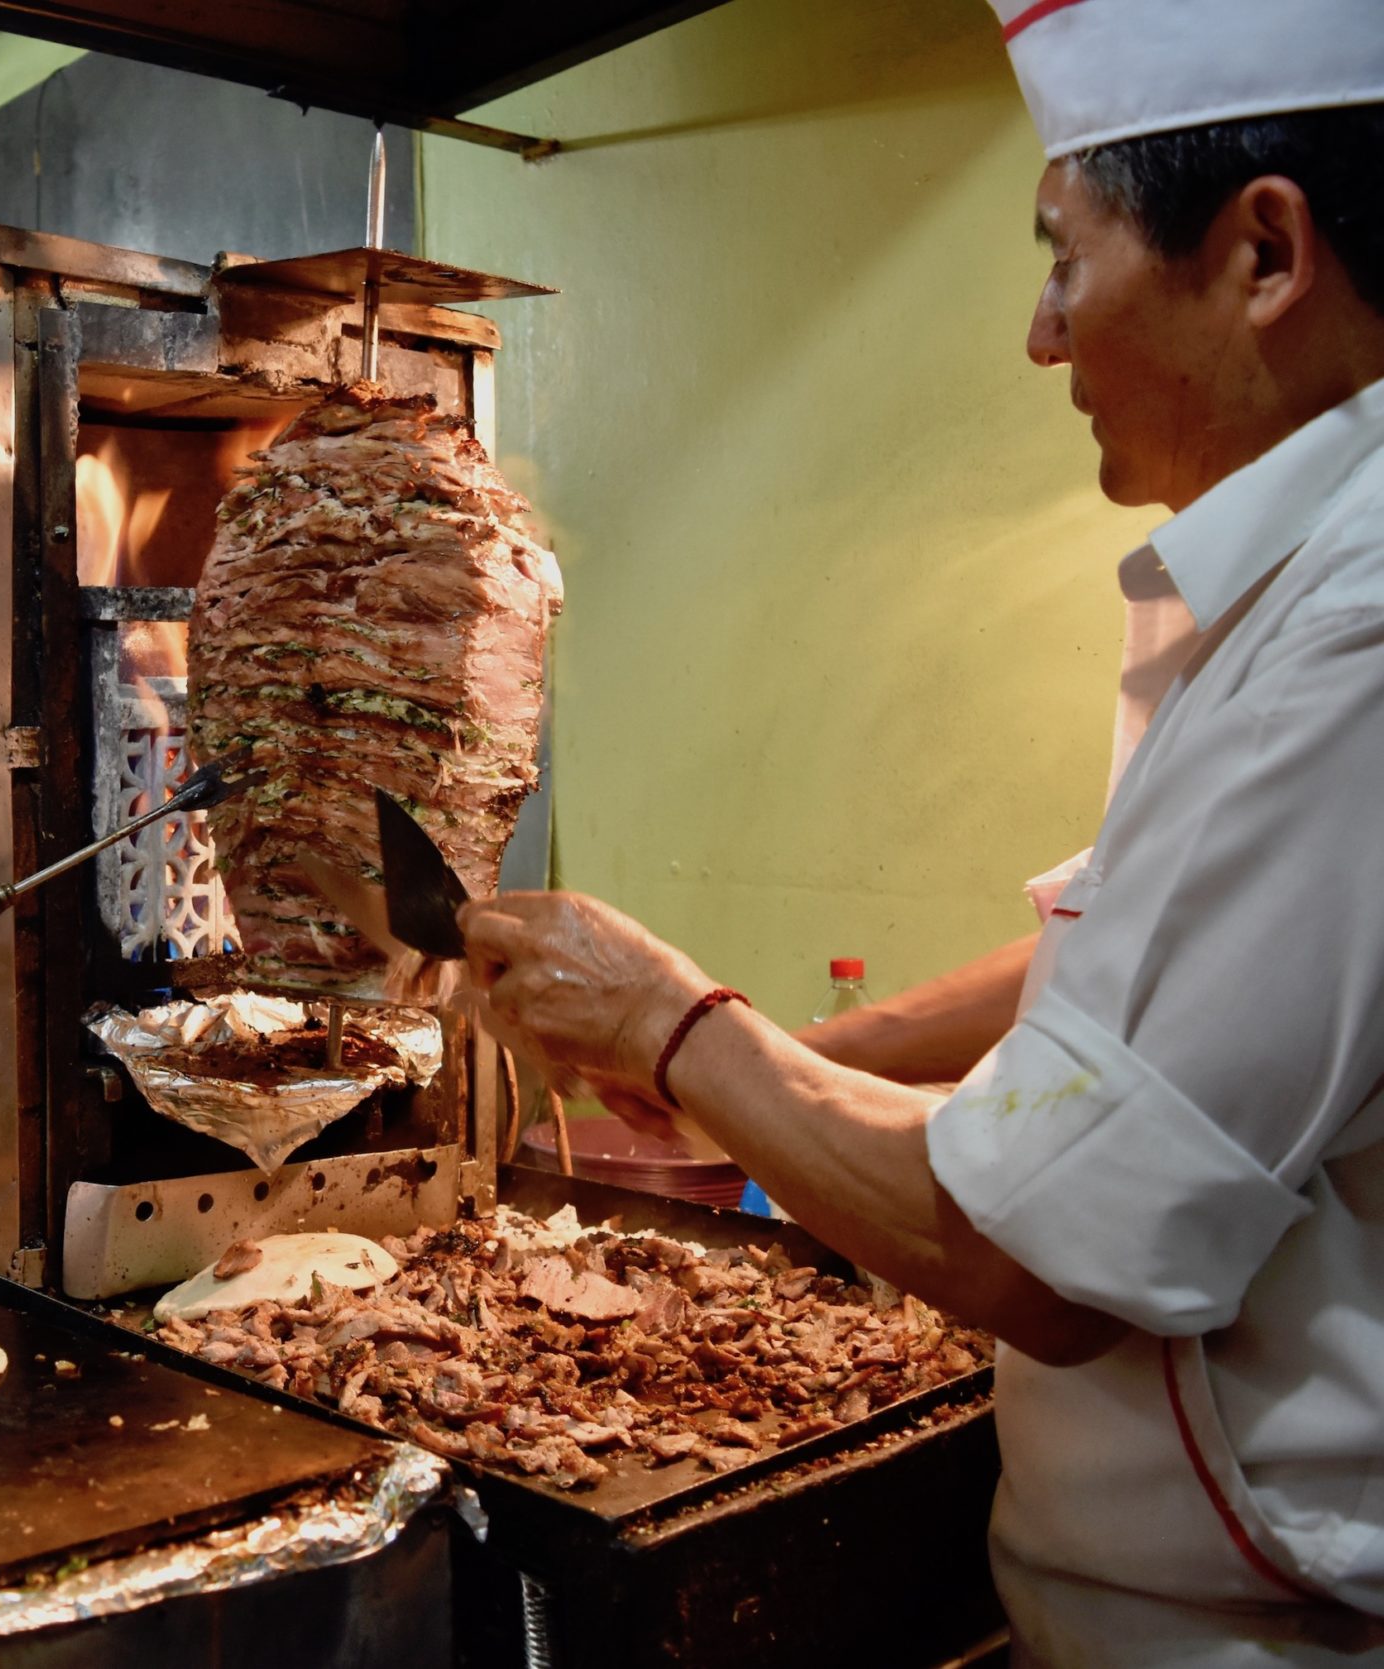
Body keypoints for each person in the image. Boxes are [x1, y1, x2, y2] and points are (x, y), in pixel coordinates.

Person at [459, 4, 1384, 1663]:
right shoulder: (1302, 587)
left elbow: (1042, 1255)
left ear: (1263, 251)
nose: (1043, 337)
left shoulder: (1362, 634)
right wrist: (809, 1065)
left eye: (1062, 257)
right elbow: (1149, 963)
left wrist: (675, 1030)